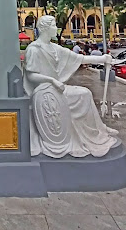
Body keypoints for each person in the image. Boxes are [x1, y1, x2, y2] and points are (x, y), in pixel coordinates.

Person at [23, 15, 119, 158]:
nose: (57, 29)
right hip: (47, 92)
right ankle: (95, 130)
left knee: (85, 93)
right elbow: (31, 76)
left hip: (56, 89)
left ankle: (97, 128)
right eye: (54, 26)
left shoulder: (55, 48)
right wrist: (52, 81)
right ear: (45, 28)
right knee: (84, 94)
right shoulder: (34, 49)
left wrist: (102, 58)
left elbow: (79, 59)